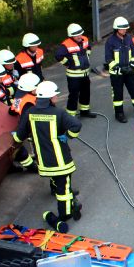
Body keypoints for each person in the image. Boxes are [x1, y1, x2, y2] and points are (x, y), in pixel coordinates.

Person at [13, 80, 83, 233]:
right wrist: (68, 136)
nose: (57, 97)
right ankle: (65, 214)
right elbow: (76, 125)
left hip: (44, 161)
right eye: (55, 95)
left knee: (56, 179)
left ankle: (60, 193)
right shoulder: (58, 113)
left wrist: (15, 137)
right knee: (64, 188)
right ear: (50, 98)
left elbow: (19, 136)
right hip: (61, 160)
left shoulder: (30, 112)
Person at [105, 16, 134, 122]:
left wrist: (132, 65)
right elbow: (108, 58)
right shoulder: (110, 41)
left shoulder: (128, 38)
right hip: (117, 74)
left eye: (126, 28)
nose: (125, 30)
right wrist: (119, 68)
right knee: (118, 94)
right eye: (122, 28)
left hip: (129, 71)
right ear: (116, 29)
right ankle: (119, 114)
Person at [55, 23, 94, 118]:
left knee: (86, 93)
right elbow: (58, 56)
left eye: (80, 34)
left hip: (85, 74)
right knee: (73, 96)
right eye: (77, 35)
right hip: (73, 76)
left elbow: (89, 46)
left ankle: (85, 111)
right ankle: (70, 116)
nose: (79, 36)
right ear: (71, 35)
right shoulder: (66, 45)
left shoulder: (85, 39)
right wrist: (67, 63)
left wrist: (88, 55)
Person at [8, 72, 40, 173]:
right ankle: (38, 165)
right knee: (39, 147)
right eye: (37, 86)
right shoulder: (29, 102)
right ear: (31, 88)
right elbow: (26, 121)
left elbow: (12, 111)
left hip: (26, 129)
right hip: (33, 128)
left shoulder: (19, 97)